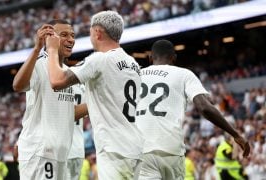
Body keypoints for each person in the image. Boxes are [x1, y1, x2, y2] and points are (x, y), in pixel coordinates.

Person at [46, 10, 144, 179]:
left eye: (90, 32)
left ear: (98, 33)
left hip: (114, 149)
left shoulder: (99, 60)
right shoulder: (133, 64)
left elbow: (56, 80)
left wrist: (52, 49)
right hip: (136, 145)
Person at [135, 39, 250, 179]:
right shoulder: (184, 74)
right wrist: (235, 134)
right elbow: (204, 107)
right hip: (171, 149)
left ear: (150, 58)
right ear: (174, 58)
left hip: (141, 149)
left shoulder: (135, 76)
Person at [12, 19, 87, 179]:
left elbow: (69, 112)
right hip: (40, 151)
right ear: (50, 37)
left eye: (73, 35)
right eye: (64, 35)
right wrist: (37, 48)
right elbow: (18, 85)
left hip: (61, 151)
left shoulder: (68, 73)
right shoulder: (39, 63)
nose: (71, 39)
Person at [67, 83, 86, 180]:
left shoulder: (62, 82)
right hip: (78, 149)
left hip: (64, 149)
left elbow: (72, 113)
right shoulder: (83, 87)